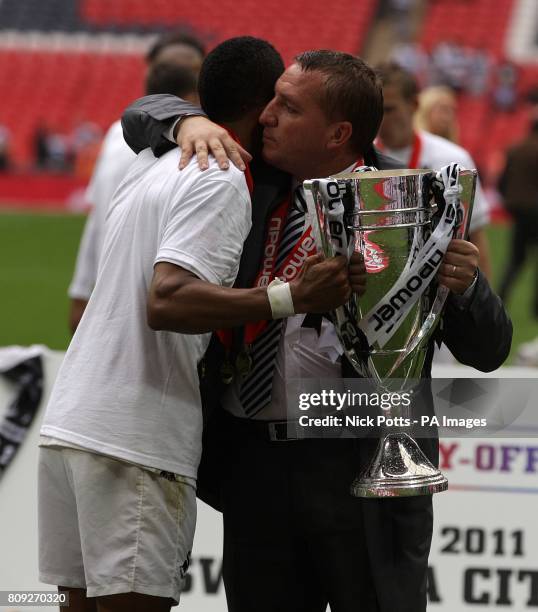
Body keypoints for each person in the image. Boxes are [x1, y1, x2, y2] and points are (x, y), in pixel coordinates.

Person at [122, 50, 512, 612]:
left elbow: (491, 350)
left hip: (362, 466)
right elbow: (139, 113)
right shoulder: (253, 179)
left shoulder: (408, 207)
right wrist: (190, 120)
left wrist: (467, 286)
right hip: (255, 468)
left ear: (338, 133)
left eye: (289, 107)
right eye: (273, 99)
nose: (266, 116)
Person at [38, 37, 356, 612]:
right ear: (261, 107)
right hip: (136, 435)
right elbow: (170, 301)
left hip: (73, 424)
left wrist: (183, 120)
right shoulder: (219, 174)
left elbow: (146, 116)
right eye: (278, 102)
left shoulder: (153, 162)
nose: (278, 115)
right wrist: (289, 296)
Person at [67, 33, 205, 333]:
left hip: (135, 311)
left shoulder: (118, 133)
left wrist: (80, 296)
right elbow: (100, 220)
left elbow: (97, 220)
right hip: (165, 313)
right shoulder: (205, 147)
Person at [375, 62, 492, 280]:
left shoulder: (452, 158)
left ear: (414, 104)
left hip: (436, 286)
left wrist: (483, 305)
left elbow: (475, 237)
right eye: (374, 109)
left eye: (389, 109)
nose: (381, 119)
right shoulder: (360, 156)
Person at [497, 117, 538, 317]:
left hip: (518, 211)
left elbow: (502, 180)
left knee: (515, 260)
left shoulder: (516, 148)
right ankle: (536, 309)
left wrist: (509, 200)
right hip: (536, 211)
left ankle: (501, 298)